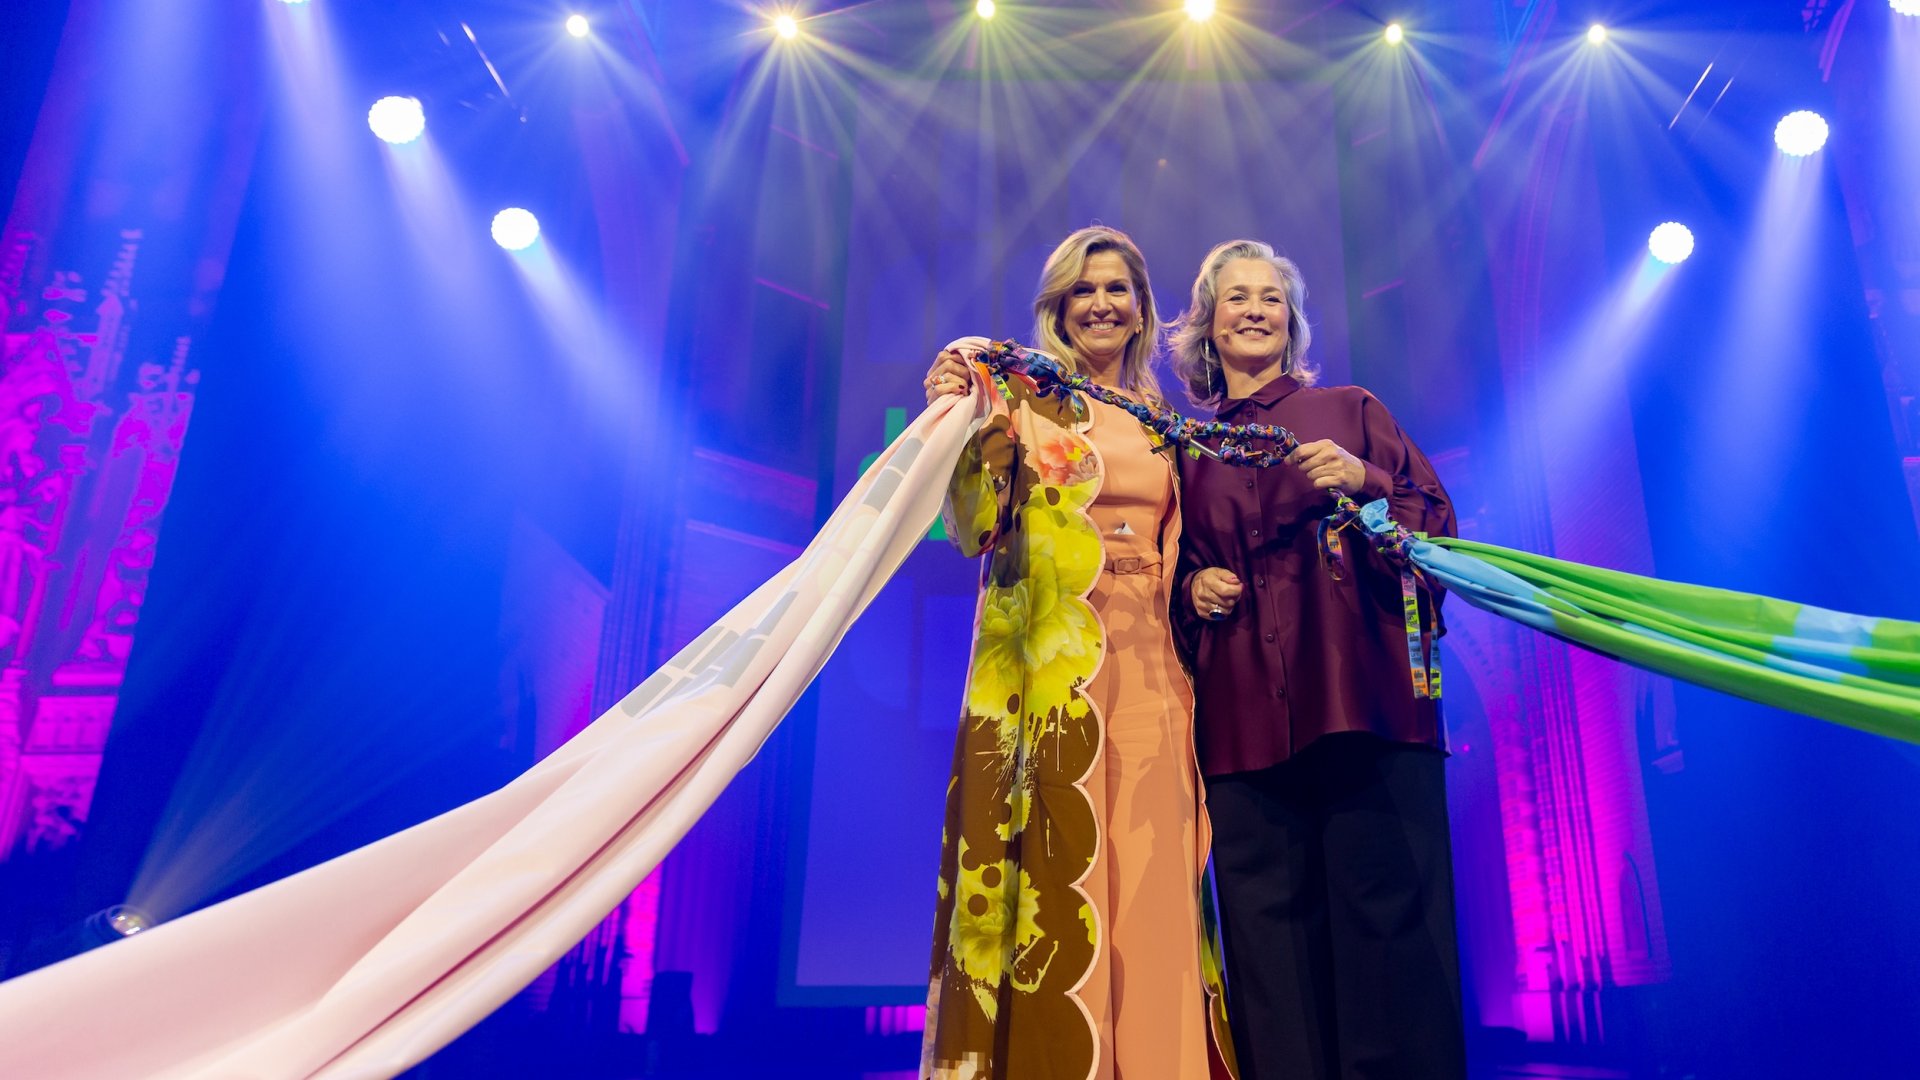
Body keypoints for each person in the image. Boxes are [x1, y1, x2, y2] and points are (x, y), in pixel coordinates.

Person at [917, 225, 1232, 1080]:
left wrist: (1201, 587)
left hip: (1156, 667)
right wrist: (961, 414)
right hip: (1050, 681)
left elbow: (1191, 544)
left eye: (1117, 289)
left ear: (1140, 310)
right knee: (1059, 882)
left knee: (1159, 878)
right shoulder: (1025, 402)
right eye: (1082, 290)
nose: (1100, 303)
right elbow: (972, 527)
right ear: (1059, 306)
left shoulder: (1165, 421)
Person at [1167, 239, 1466, 1080]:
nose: (1255, 310)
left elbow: (1437, 525)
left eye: (1271, 298)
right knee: (1268, 944)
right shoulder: (1187, 448)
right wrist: (1194, 588)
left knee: (1385, 926)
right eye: (1236, 298)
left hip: (1361, 704)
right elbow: (1162, 566)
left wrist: (1366, 476)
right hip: (1241, 721)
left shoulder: (1349, 408)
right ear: (1208, 325)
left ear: (1291, 321)